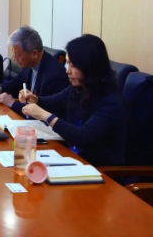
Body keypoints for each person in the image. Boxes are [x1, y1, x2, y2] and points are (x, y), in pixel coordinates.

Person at [20, 34, 125, 167]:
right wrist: (36, 100)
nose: (67, 71)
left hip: (98, 169)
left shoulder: (110, 100)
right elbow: (55, 102)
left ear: (88, 66)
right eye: (67, 63)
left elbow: (83, 136)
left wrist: (46, 116)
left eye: (72, 65)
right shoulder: (79, 87)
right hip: (73, 158)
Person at [0, 26, 69, 111]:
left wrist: (12, 103)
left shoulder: (54, 75)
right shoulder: (30, 65)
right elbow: (16, 81)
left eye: (17, 54)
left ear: (34, 54)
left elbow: (43, 111)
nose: (14, 58)